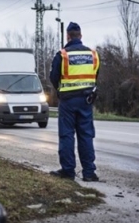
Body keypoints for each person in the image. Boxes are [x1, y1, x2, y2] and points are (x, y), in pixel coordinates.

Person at [49, 22, 100, 182]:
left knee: (67, 135)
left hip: (68, 101)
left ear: (68, 36)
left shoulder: (62, 55)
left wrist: (62, 89)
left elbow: (53, 77)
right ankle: (89, 172)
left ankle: (68, 171)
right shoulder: (93, 55)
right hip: (86, 100)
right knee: (86, 135)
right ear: (81, 36)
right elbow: (95, 76)